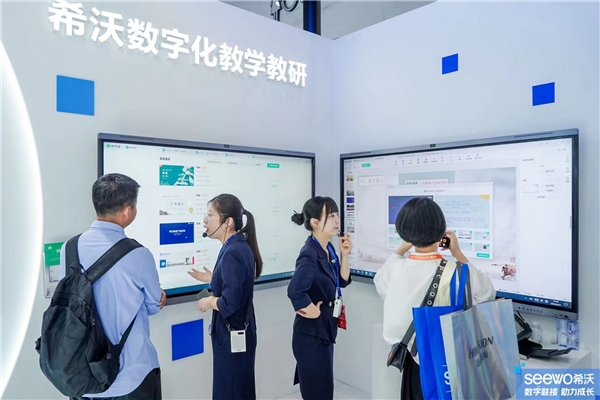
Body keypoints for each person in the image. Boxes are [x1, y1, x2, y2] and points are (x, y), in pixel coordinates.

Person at [373, 198, 496, 400]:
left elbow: (380, 284)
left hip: (412, 364)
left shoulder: (394, 269)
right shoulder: (456, 271)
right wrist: (457, 253)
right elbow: (487, 293)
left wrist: (402, 248)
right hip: (448, 361)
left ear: (403, 232)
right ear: (441, 231)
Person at [60, 173, 166, 400]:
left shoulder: (69, 248)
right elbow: (153, 305)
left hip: (82, 377)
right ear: (127, 211)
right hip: (131, 377)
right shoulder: (139, 254)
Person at [188, 194, 262, 400]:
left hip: (232, 334)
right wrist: (214, 278)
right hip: (238, 332)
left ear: (227, 222)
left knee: (230, 390)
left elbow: (229, 302)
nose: (205, 220)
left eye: (210, 215)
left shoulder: (233, 251)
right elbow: (236, 284)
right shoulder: (237, 246)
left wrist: (209, 301)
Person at [287, 196, 353, 400]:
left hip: (325, 329)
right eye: (331, 216)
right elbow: (295, 291)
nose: (337, 220)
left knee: (323, 390)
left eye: (337, 215)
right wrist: (312, 311)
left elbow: (341, 281)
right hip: (311, 334)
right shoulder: (309, 253)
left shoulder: (328, 247)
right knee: (318, 393)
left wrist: (345, 255)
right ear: (315, 222)